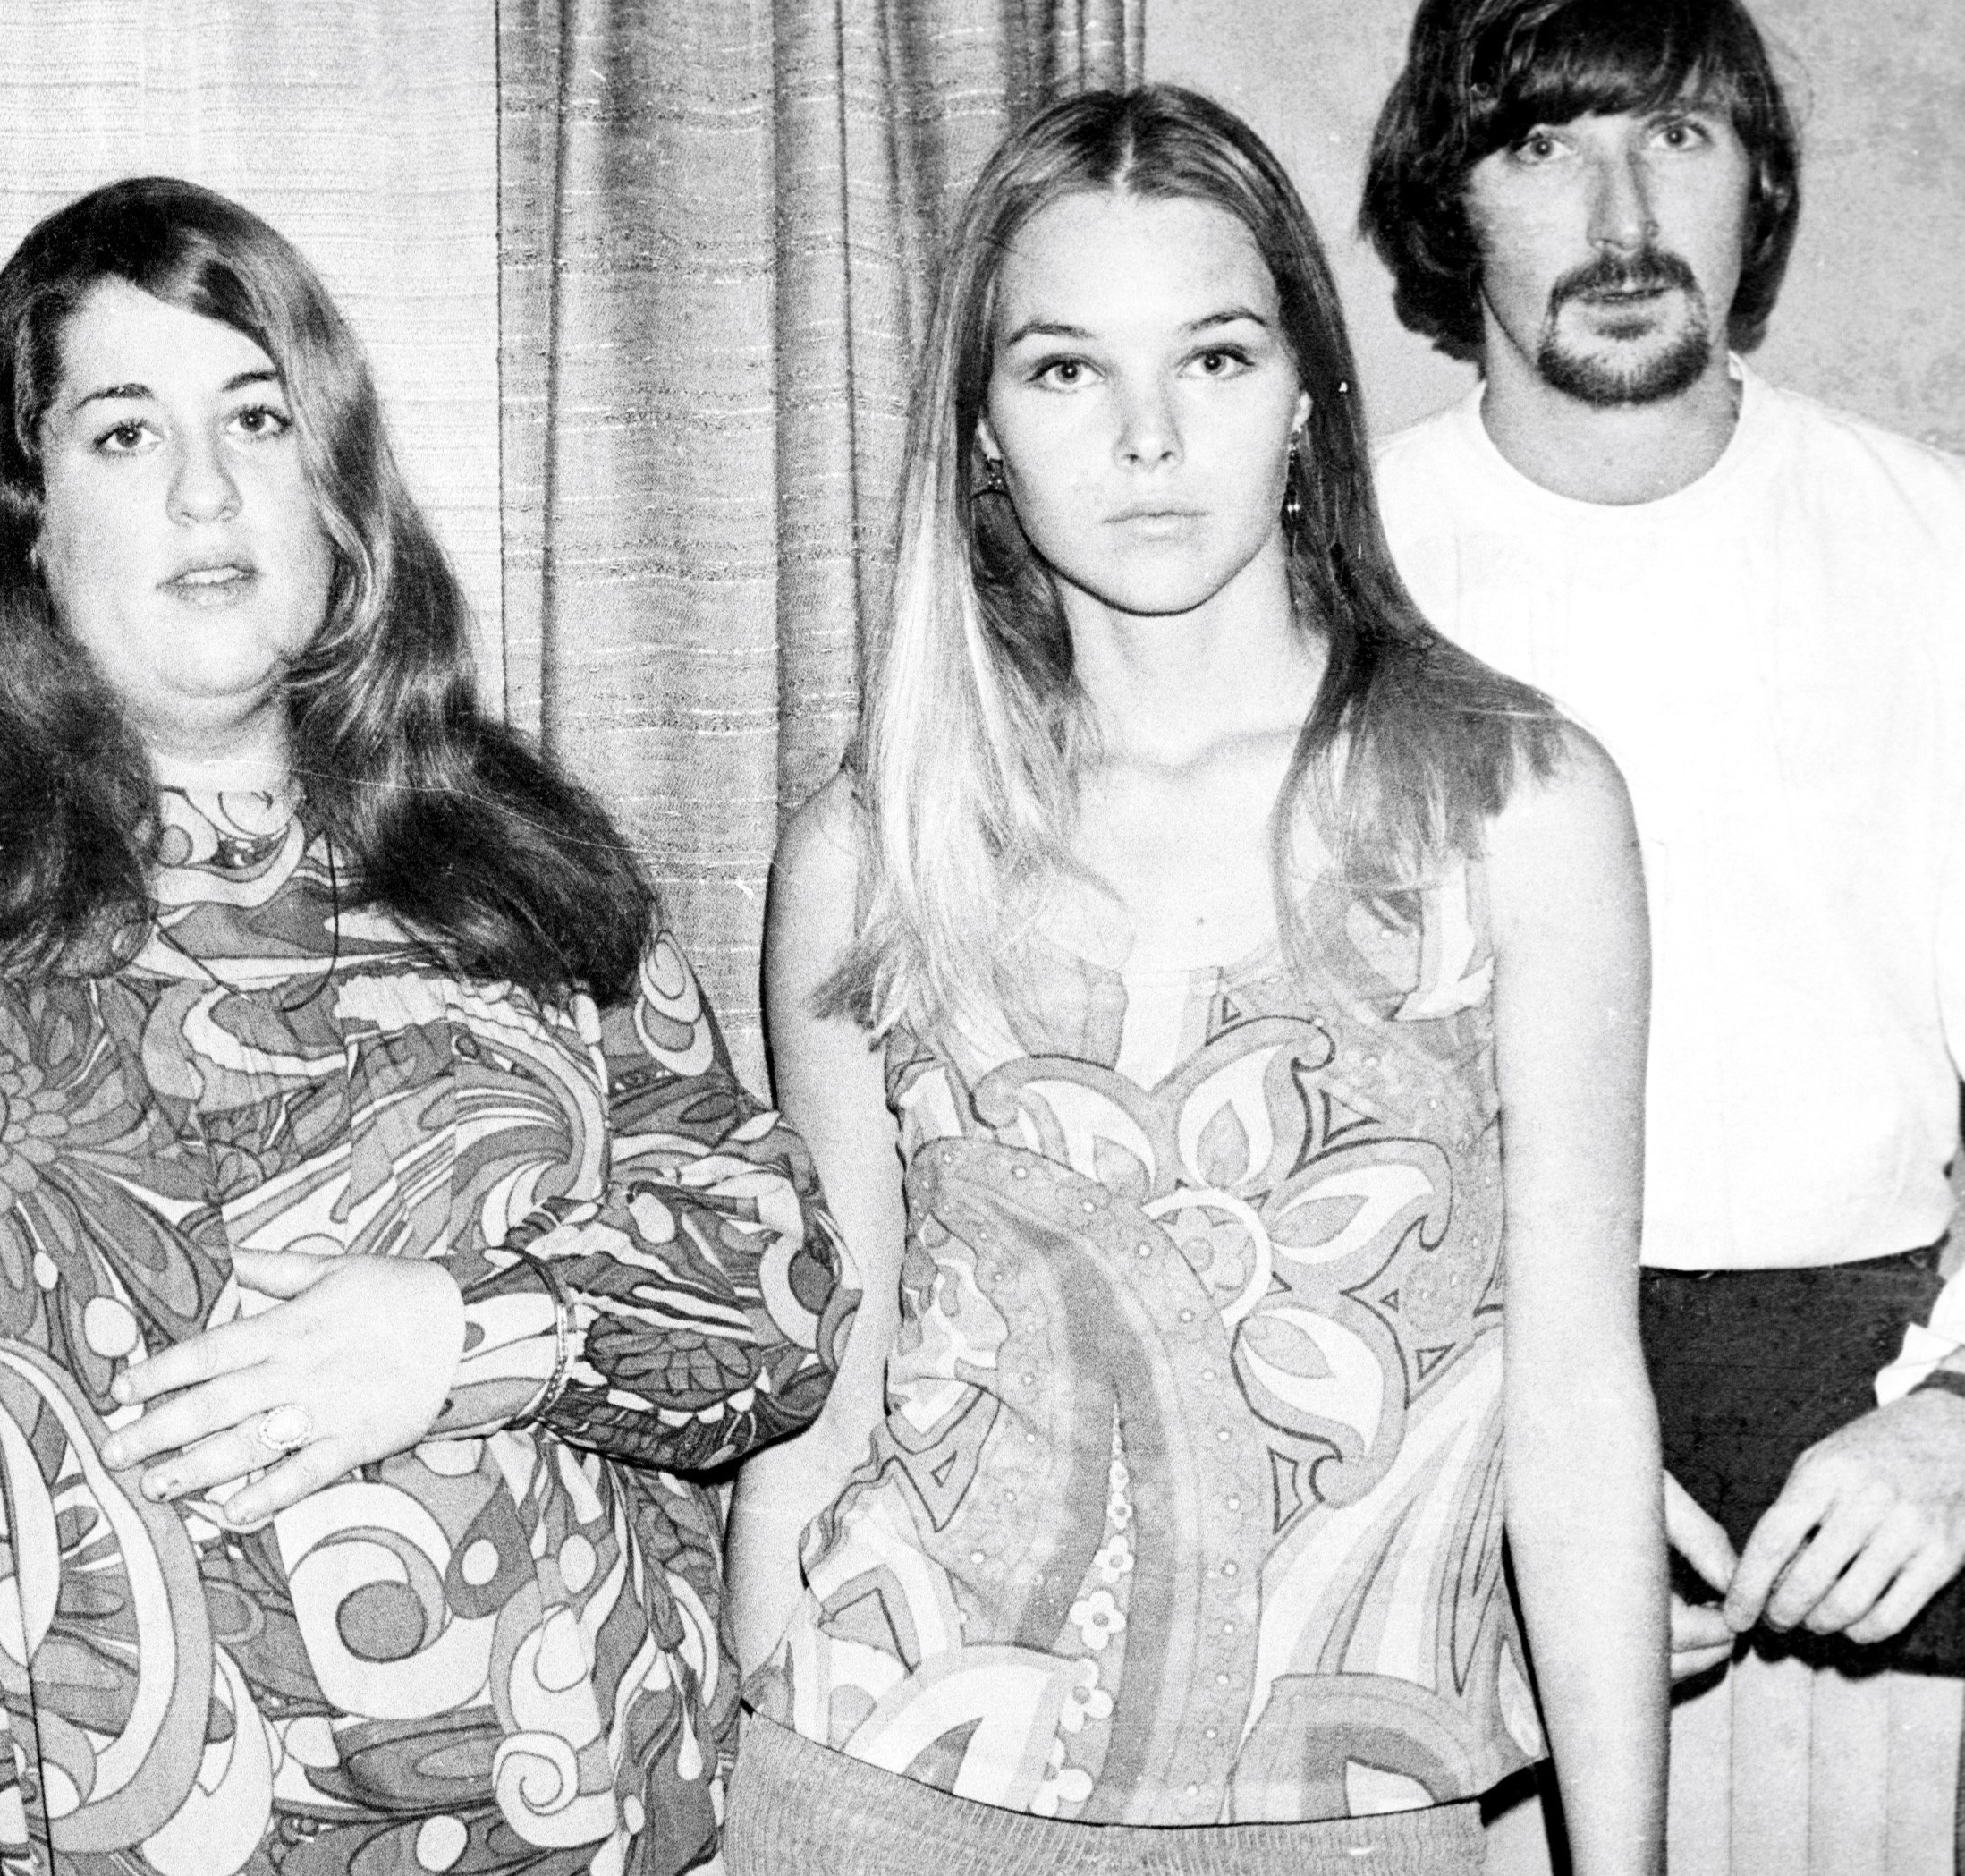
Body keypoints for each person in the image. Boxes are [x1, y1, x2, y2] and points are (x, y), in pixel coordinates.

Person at [0, 174, 853, 1874]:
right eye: (125, 432)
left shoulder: (503, 848)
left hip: (578, 1826)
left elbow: (779, 1277)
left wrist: (470, 1334)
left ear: (335, 483)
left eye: (257, 419)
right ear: (24, 513)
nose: (206, 489)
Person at [724, 83, 1665, 1874]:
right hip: (878, 1781)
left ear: (1306, 393)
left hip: (1344, 1812)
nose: (1146, 437)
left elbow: (1576, 1405)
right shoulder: (876, 842)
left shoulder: (1512, 812)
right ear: (982, 426)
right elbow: (824, 1395)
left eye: (1214, 358)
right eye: (1065, 369)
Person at [1361, 0, 1965, 1863]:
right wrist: (1470, 1481)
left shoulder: (1934, 549)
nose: (1621, 218)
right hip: (1436, 1474)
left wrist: (1961, 1418)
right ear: (1450, 199)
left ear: (1757, 187)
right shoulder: (1332, 575)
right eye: (1544, 145)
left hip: (1884, 1465)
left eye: (1677, 138)